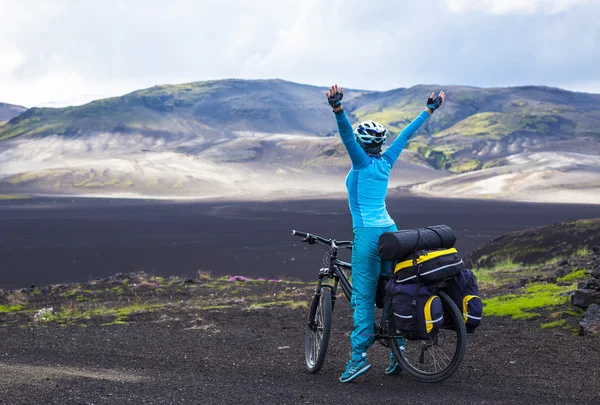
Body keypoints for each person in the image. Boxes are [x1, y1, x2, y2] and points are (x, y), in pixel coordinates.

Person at [325, 84, 445, 383]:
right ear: (379, 143)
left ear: (362, 143)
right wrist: (429, 109)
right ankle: (397, 350)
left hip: (368, 235)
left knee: (364, 298)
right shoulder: (387, 160)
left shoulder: (361, 162)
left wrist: (338, 109)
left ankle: (358, 359)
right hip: (393, 232)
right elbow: (406, 134)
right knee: (394, 291)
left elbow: (344, 134)